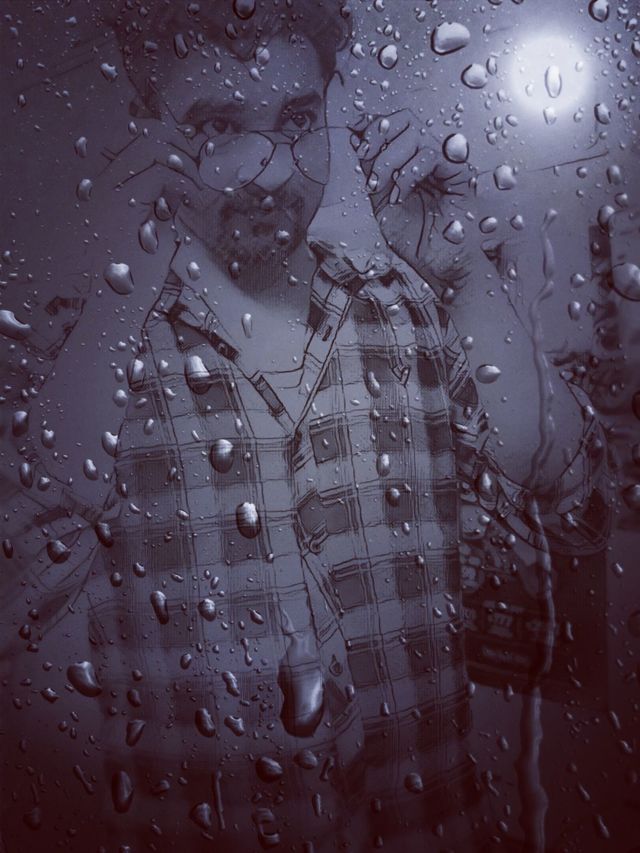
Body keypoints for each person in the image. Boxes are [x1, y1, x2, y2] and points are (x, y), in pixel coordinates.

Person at [2, 1, 611, 850]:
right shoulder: (89, 354)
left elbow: (575, 497)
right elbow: (20, 591)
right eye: (218, 127)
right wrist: (121, 280)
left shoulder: (403, 306)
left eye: (296, 119)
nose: (270, 170)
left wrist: (464, 270)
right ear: (150, 133)